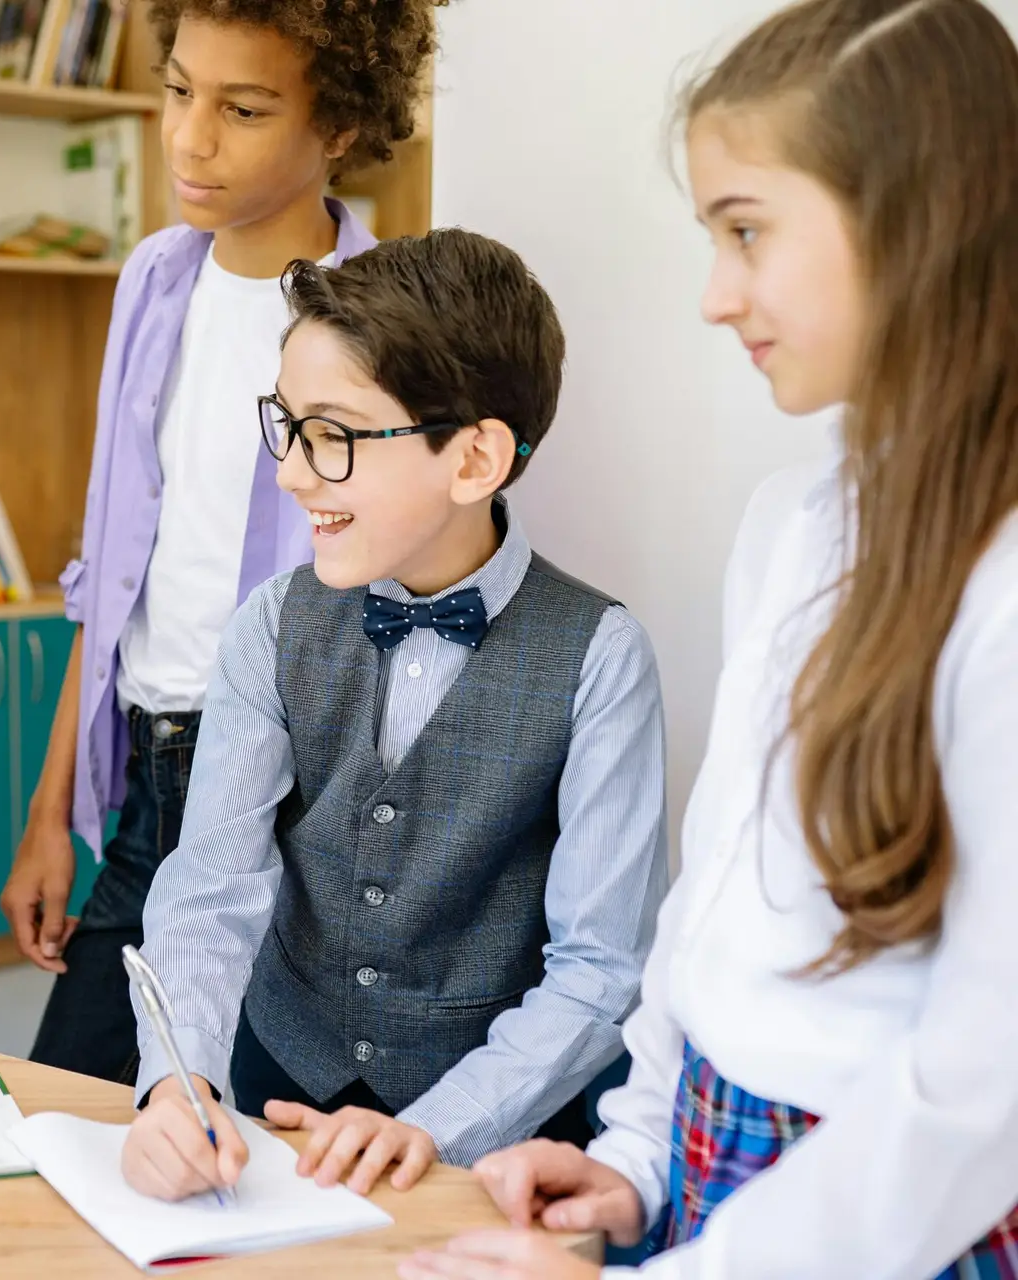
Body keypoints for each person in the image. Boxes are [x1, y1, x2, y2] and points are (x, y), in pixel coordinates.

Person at [402, 3, 1018, 1278]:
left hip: (886, 1218)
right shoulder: (790, 524)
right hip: (709, 1159)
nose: (713, 296)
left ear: (918, 216)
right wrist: (634, 1155)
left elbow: (981, 1093)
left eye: (746, 230)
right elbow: (714, 897)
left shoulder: (1001, 583)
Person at [120, 230, 669, 1203]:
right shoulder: (272, 622)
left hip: (498, 1136)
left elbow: (598, 968)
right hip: (280, 1089)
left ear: (474, 459)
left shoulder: (602, 656)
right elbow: (209, 884)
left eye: (331, 434)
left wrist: (434, 1130)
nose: (290, 472)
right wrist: (178, 1076)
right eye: (285, 425)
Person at [3, 0, 446, 1084]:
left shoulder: (385, 319)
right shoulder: (152, 282)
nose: (191, 137)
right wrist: (49, 810)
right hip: (146, 781)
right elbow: (105, 582)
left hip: (296, 796)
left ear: (336, 124)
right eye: (179, 91)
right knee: (65, 1104)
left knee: (237, 1124)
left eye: (242, 109)